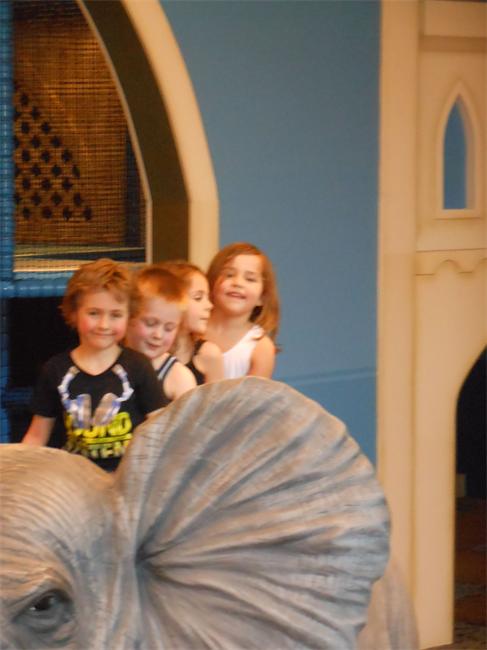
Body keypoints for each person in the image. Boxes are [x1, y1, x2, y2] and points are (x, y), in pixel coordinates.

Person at [22, 258, 163, 472]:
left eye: (115, 315)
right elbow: (36, 437)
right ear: (74, 312)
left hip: (128, 478)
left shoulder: (139, 366)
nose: (104, 325)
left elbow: (161, 431)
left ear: (129, 316)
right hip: (74, 480)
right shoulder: (55, 370)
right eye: (94, 313)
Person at [206, 242, 280, 379]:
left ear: (262, 297)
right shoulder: (193, 328)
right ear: (211, 284)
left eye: (250, 279)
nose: (238, 283)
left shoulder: (261, 347)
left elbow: (253, 393)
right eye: (229, 275)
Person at [125, 265, 197, 404]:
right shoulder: (111, 361)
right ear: (129, 316)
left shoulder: (179, 378)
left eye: (169, 328)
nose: (158, 335)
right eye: (150, 323)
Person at [160, 260, 224, 385]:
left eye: (208, 297)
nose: (209, 305)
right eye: (198, 298)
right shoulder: (149, 352)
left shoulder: (209, 354)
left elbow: (218, 398)